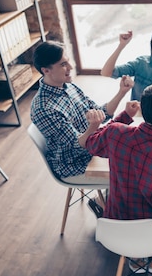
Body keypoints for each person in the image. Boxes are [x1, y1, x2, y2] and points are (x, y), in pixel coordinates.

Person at [80, 83, 152, 274]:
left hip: (116, 226)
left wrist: (124, 116)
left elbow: (91, 143)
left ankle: (137, 257)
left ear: (142, 109)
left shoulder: (115, 132)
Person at [30, 40, 133, 216]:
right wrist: (93, 127)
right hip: (75, 164)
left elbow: (100, 112)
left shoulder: (68, 86)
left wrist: (121, 92)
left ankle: (110, 205)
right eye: (63, 64)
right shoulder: (44, 108)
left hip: (92, 147)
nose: (70, 66)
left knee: (135, 153)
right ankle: (115, 214)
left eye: (68, 61)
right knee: (131, 170)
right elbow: (78, 146)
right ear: (46, 70)